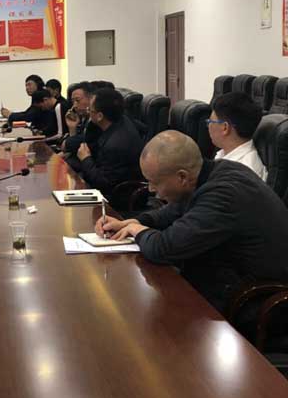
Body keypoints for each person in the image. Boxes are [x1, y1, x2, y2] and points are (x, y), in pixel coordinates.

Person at [96, 130, 288, 312]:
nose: (151, 189)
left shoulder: (223, 194)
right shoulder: (211, 173)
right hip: (226, 276)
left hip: (252, 299)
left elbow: (164, 248)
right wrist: (133, 221)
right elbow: (171, 211)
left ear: (182, 177)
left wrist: (137, 230)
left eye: (154, 182)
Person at [75, 88, 144, 195]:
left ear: (100, 116)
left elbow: (102, 183)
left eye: (90, 110)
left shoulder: (115, 145)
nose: (88, 112)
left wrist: (85, 159)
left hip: (117, 197)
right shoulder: (121, 120)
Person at [208, 92, 267, 180]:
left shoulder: (243, 170)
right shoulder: (224, 154)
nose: (208, 126)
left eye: (210, 122)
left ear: (225, 128)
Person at [63, 81, 99, 154]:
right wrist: (72, 128)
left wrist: (67, 144)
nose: (74, 106)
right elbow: (73, 146)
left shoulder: (98, 121)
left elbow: (67, 146)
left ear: (92, 99)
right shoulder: (84, 118)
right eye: (73, 102)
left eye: (77, 100)